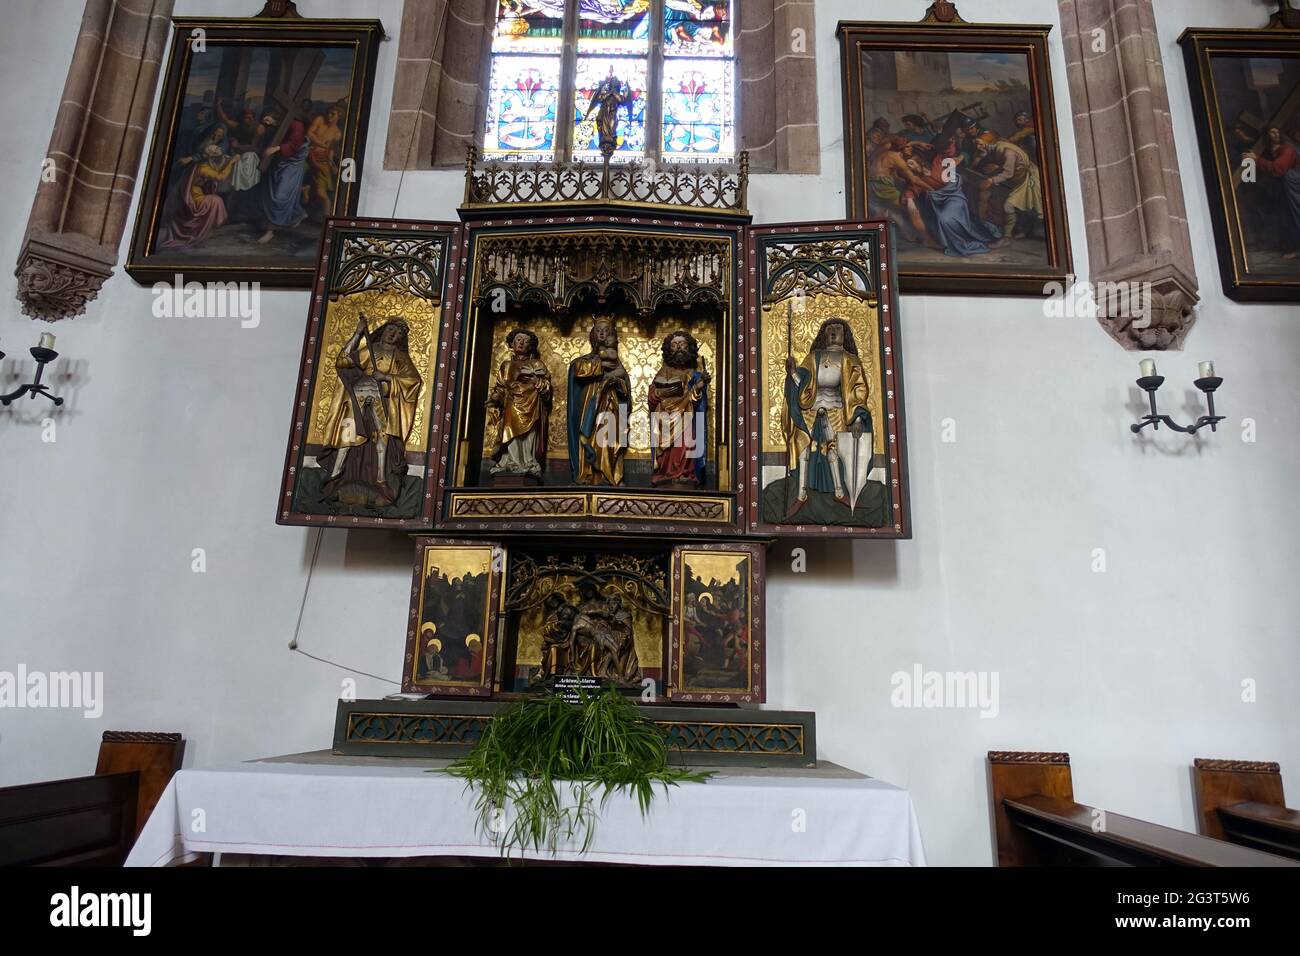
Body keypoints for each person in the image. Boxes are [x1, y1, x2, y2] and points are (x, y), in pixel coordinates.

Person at [316, 314, 423, 508]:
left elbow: (414, 382)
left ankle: (381, 478)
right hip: (360, 391)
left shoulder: (400, 357)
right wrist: (357, 334)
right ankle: (335, 473)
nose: (393, 335)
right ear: (384, 330)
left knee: (382, 435)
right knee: (348, 430)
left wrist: (387, 377)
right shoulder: (371, 350)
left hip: (380, 395)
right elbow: (343, 361)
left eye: (398, 333)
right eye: (391, 330)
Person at [782, 318, 872, 517]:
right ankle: (801, 495)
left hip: (837, 408)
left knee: (833, 450)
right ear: (824, 334)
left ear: (844, 334)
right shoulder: (813, 357)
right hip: (810, 407)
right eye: (829, 329)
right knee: (803, 449)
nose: (833, 332)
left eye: (837, 329)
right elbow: (801, 382)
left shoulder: (851, 360)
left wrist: (857, 418)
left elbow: (859, 389)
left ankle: (840, 493)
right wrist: (792, 372)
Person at [567, 317, 630, 485]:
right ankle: (589, 473)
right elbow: (577, 371)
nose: (602, 333)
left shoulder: (617, 362)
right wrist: (601, 367)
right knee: (591, 434)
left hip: (611, 403)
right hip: (589, 402)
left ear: (613, 336)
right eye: (598, 330)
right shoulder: (583, 361)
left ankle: (610, 475)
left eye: (606, 330)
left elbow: (625, 390)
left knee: (610, 434)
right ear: (592, 335)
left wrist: (618, 380)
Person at [486, 328, 552, 480]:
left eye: (526, 341)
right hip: (511, 403)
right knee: (510, 432)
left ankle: (528, 462)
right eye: (518, 340)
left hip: (532, 402)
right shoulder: (506, 365)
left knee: (529, 434)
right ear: (512, 343)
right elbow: (501, 387)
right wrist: (496, 397)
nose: (522, 343)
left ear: (531, 346)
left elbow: (547, 387)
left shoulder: (537, 364)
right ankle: (512, 462)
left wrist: (537, 382)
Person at [648, 330, 709, 487]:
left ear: (689, 349)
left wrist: (698, 387)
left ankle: (685, 473)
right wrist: (662, 392)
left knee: (686, 444)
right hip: (665, 418)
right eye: (674, 345)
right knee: (670, 449)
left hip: (687, 417)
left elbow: (697, 404)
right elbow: (652, 397)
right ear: (669, 350)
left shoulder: (695, 375)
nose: (679, 348)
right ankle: (666, 472)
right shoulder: (663, 372)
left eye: (682, 344)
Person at [156, 143, 234, 249]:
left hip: (198, 194)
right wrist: (232, 162)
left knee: (214, 200)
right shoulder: (203, 168)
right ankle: (210, 228)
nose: (219, 148)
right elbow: (220, 177)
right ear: (212, 154)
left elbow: (219, 168)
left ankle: (209, 227)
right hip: (194, 198)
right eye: (216, 149)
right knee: (216, 200)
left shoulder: (209, 164)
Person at [974, 130, 1043, 241]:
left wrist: (991, 180)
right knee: (1020, 206)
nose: (978, 147)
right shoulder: (995, 149)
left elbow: (1008, 173)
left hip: (1027, 180)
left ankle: (1007, 238)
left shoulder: (1007, 152)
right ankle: (1022, 231)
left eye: (981, 144)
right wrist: (996, 166)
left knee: (1014, 206)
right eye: (977, 144)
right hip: (1017, 179)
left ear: (990, 142)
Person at [1244, 126, 1300, 258]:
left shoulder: (1287, 149)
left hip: (1295, 187)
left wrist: (1257, 160)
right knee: (1286, 216)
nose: (1274, 134)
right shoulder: (1269, 151)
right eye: (1271, 132)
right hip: (1286, 190)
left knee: (1296, 214)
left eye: (1276, 131)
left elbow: (1278, 168)